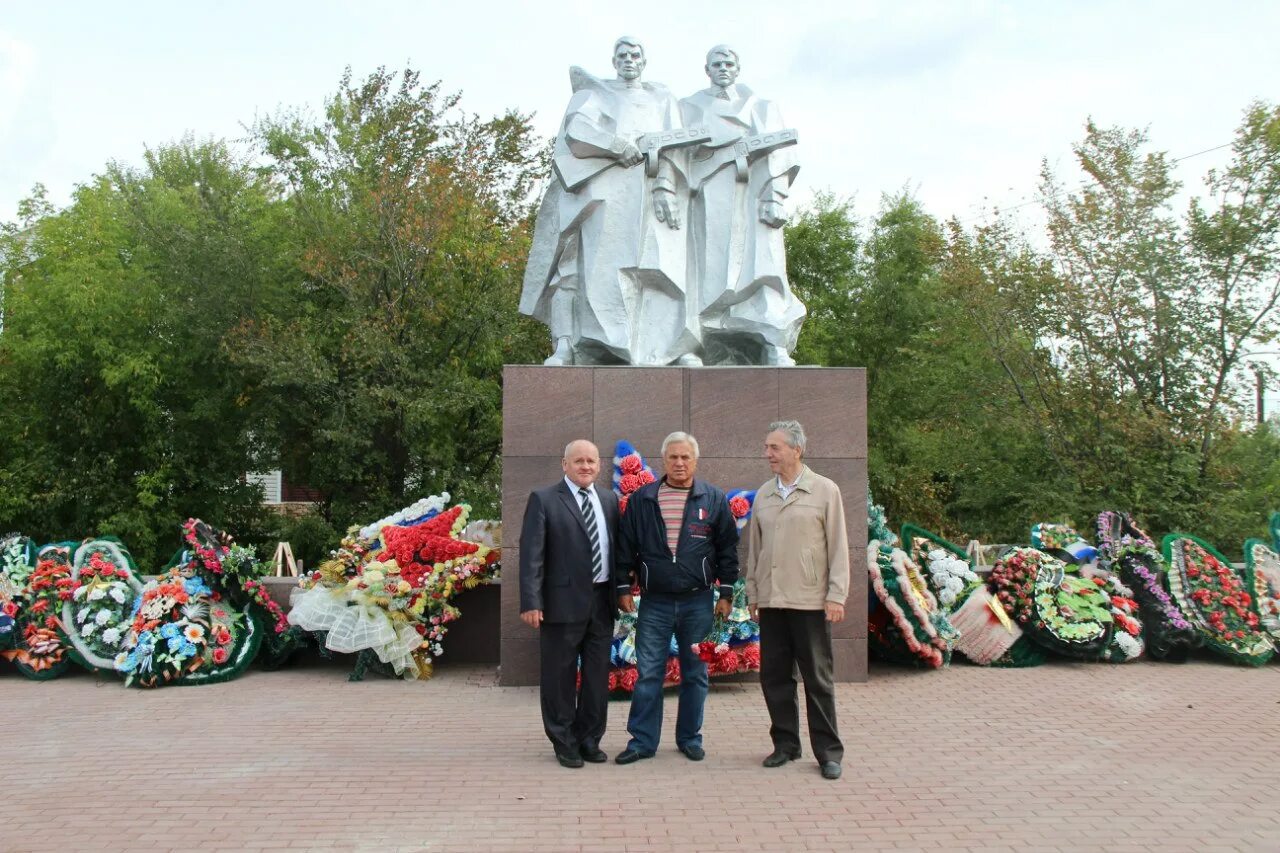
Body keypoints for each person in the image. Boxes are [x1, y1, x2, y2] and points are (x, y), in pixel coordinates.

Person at [520, 36, 700, 366]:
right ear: (613, 61)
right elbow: (577, 132)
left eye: (635, 54)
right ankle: (593, 344)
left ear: (644, 61)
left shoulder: (663, 98)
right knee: (598, 271)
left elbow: (676, 148)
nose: (629, 60)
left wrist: (664, 187)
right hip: (604, 191)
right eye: (622, 55)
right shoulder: (596, 93)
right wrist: (618, 146)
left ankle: (668, 347)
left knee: (660, 265)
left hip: (650, 192)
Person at [613, 431, 739, 764]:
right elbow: (625, 546)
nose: (679, 463)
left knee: (695, 674)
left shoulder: (712, 499)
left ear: (695, 460)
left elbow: (728, 549)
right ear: (664, 461)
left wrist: (726, 592)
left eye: (685, 457)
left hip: (698, 601)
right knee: (649, 673)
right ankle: (641, 742)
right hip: (654, 603)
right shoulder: (643, 499)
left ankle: (689, 738)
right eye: (673, 457)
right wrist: (622, 588)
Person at [680, 45, 806, 366]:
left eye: (729, 63)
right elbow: (676, 155)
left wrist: (774, 196)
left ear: (738, 69)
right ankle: (692, 341)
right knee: (705, 271)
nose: (723, 68)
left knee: (764, 267)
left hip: (754, 199)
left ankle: (772, 343)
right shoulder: (688, 107)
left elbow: (780, 154)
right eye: (716, 64)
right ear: (706, 69)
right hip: (707, 197)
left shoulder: (761, 108)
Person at [745, 420, 849, 780]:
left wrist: (836, 594)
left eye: (774, 447)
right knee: (775, 677)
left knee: (817, 679)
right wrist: (753, 593)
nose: (768, 454)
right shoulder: (763, 494)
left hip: (810, 602)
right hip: (773, 602)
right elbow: (755, 551)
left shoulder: (824, 491)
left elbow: (838, 547)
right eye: (767, 447)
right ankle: (785, 744)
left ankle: (828, 753)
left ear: (796, 450)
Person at [519, 439, 621, 768]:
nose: (586, 466)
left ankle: (589, 738)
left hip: (601, 601)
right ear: (565, 465)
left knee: (595, 676)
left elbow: (615, 550)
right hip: (560, 603)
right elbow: (531, 555)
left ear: (599, 465)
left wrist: (623, 590)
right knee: (559, 676)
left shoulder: (608, 499)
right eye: (578, 461)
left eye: (591, 461)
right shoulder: (544, 499)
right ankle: (563, 740)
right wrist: (531, 601)